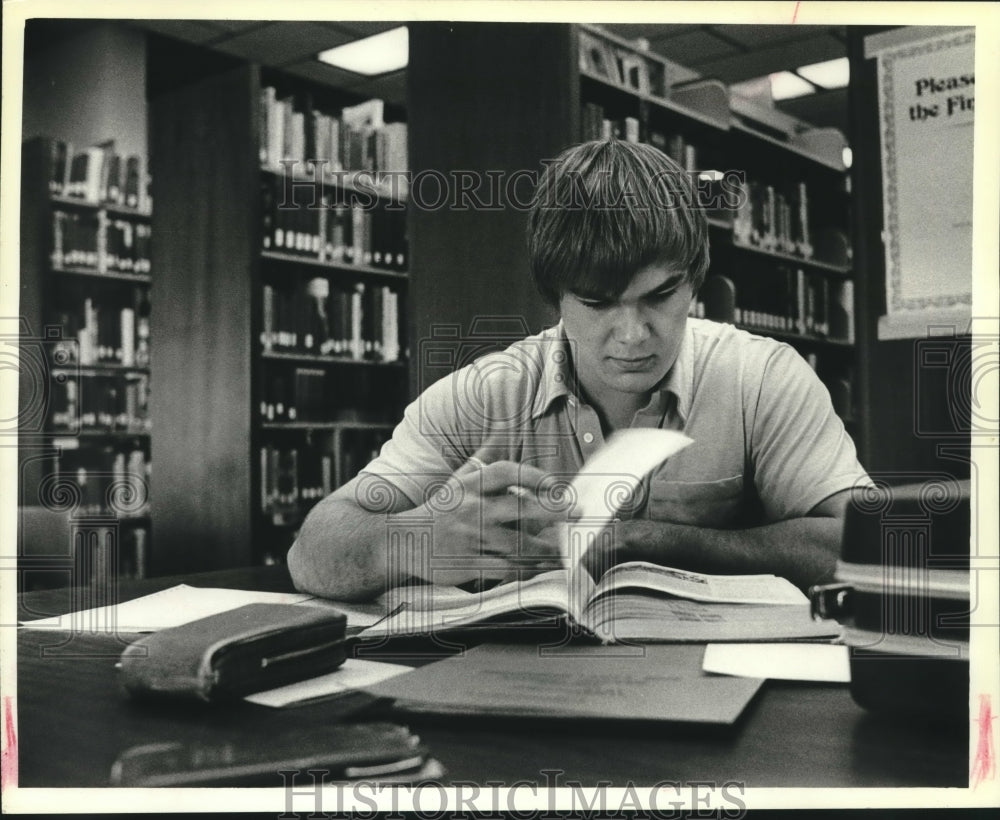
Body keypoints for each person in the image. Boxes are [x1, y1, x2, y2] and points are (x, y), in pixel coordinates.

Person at [288, 139, 870, 601]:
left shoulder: (763, 378)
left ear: (695, 278)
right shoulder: (480, 395)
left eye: (661, 295)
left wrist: (642, 542)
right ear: (555, 299)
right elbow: (310, 551)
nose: (634, 335)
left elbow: (864, 545)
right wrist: (410, 542)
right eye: (596, 303)